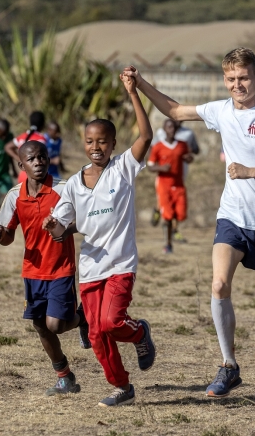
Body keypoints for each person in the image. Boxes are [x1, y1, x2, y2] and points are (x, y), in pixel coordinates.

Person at [124, 47, 255, 403]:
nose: (237, 85)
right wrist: (140, 84)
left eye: (243, 78)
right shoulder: (220, 111)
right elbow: (175, 110)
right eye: (230, 79)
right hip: (232, 217)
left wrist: (253, 172)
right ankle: (228, 365)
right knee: (219, 282)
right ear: (224, 80)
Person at [42, 72, 156, 407]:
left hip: (120, 263)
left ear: (114, 144)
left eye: (103, 141)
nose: (96, 147)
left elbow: (147, 135)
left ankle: (139, 333)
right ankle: (122, 386)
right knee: (95, 333)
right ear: (84, 144)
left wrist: (132, 92)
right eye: (90, 142)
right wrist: (53, 227)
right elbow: (63, 227)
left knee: (111, 321)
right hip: (91, 267)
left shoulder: (123, 168)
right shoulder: (74, 184)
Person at [0, 140, 90, 396]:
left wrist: (65, 229)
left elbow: (85, 218)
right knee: (40, 325)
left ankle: (84, 318)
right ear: (21, 164)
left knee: (56, 324)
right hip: (32, 271)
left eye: (42, 157)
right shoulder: (15, 195)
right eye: (32, 159)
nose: (38, 162)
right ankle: (65, 377)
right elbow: (8, 237)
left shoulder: (64, 189)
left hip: (61, 268)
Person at [147, 119, 194, 253]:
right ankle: (167, 244)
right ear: (164, 129)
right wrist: (161, 168)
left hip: (179, 184)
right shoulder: (158, 146)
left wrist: (189, 158)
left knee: (181, 214)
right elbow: (150, 166)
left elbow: (190, 156)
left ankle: (160, 213)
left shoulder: (182, 145)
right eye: (169, 127)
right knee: (168, 215)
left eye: (173, 127)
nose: (171, 129)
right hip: (164, 184)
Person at [5, 111, 47, 184]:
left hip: (23, 176)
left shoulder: (22, 137)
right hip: (35, 177)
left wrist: (21, 159)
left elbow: (7, 147)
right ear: (43, 124)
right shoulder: (40, 139)